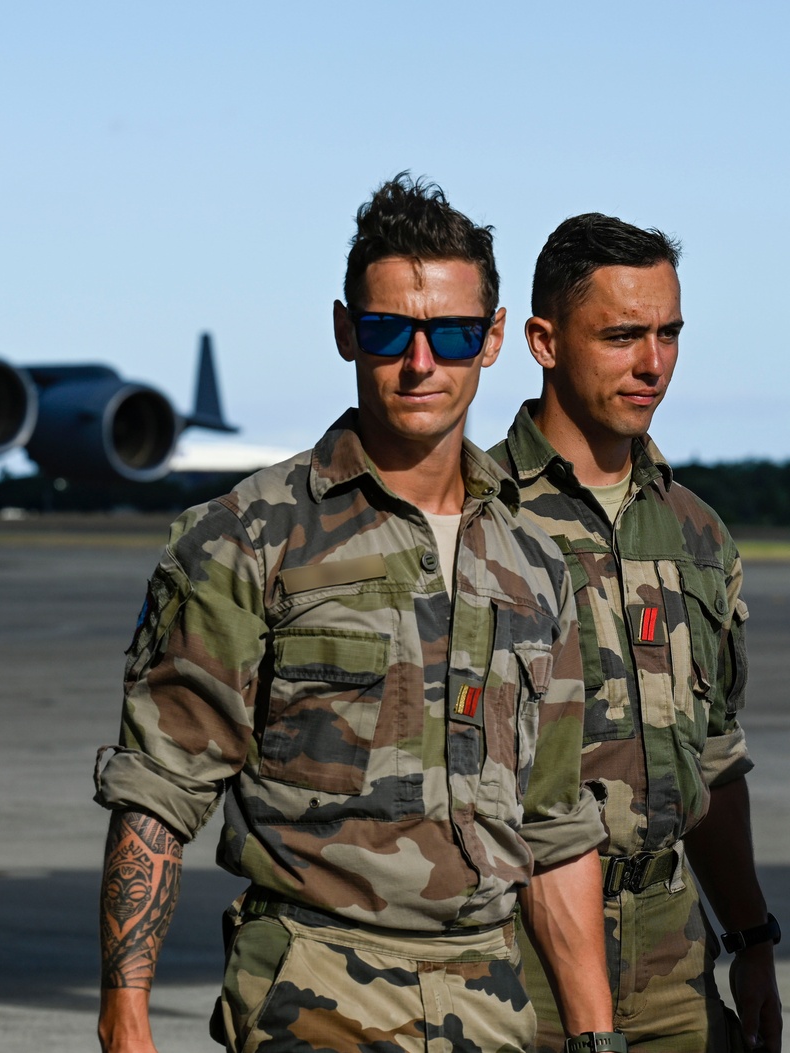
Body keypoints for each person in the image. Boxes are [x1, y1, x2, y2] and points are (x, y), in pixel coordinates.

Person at [94, 175, 622, 1053]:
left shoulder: (537, 566)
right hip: (313, 996)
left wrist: (597, 1037)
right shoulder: (249, 538)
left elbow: (555, 829)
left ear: (492, 340)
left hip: (490, 1005)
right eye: (388, 331)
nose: (421, 363)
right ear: (345, 331)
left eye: (451, 334)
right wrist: (126, 1016)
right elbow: (159, 791)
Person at [489, 213, 782, 1052]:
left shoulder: (696, 534)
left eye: (668, 334)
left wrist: (753, 939)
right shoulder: (476, 521)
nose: (652, 363)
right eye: (622, 336)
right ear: (543, 340)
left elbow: (715, 758)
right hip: (513, 962)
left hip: (673, 962)